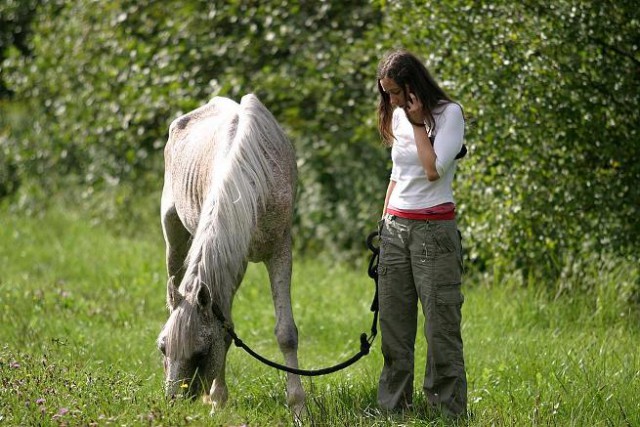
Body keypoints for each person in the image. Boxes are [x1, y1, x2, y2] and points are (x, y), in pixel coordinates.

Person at [375, 48, 467, 418]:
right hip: (396, 229)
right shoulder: (398, 117)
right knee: (394, 328)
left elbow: (433, 170)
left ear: (414, 86)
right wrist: (383, 226)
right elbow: (397, 176)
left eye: (396, 92)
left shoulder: (449, 115)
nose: (392, 101)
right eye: (387, 94)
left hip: (434, 232)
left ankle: (447, 413)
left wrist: (416, 124)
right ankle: (393, 410)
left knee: (441, 328)